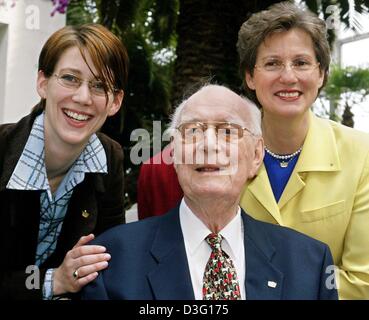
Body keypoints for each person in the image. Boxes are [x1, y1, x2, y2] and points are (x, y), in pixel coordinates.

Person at [136, 2, 369, 299]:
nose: (288, 77)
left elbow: (363, 282)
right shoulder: (206, 161)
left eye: (301, 63)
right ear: (250, 76)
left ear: (321, 74)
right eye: (272, 63)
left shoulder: (362, 155)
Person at [82, 84, 337, 300]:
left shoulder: (310, 264)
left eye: (228, 131)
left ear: (256, 155)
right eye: (192, 131)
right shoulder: (110, 261)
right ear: (174, 153)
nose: (208, 144)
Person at [0, 24, 128, 299]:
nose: (82, 98)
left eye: (99, 86)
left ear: (115, 102)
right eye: (70, 78)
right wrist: (53, 281)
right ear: (43, 83)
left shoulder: (110, 159)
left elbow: (110, 258)